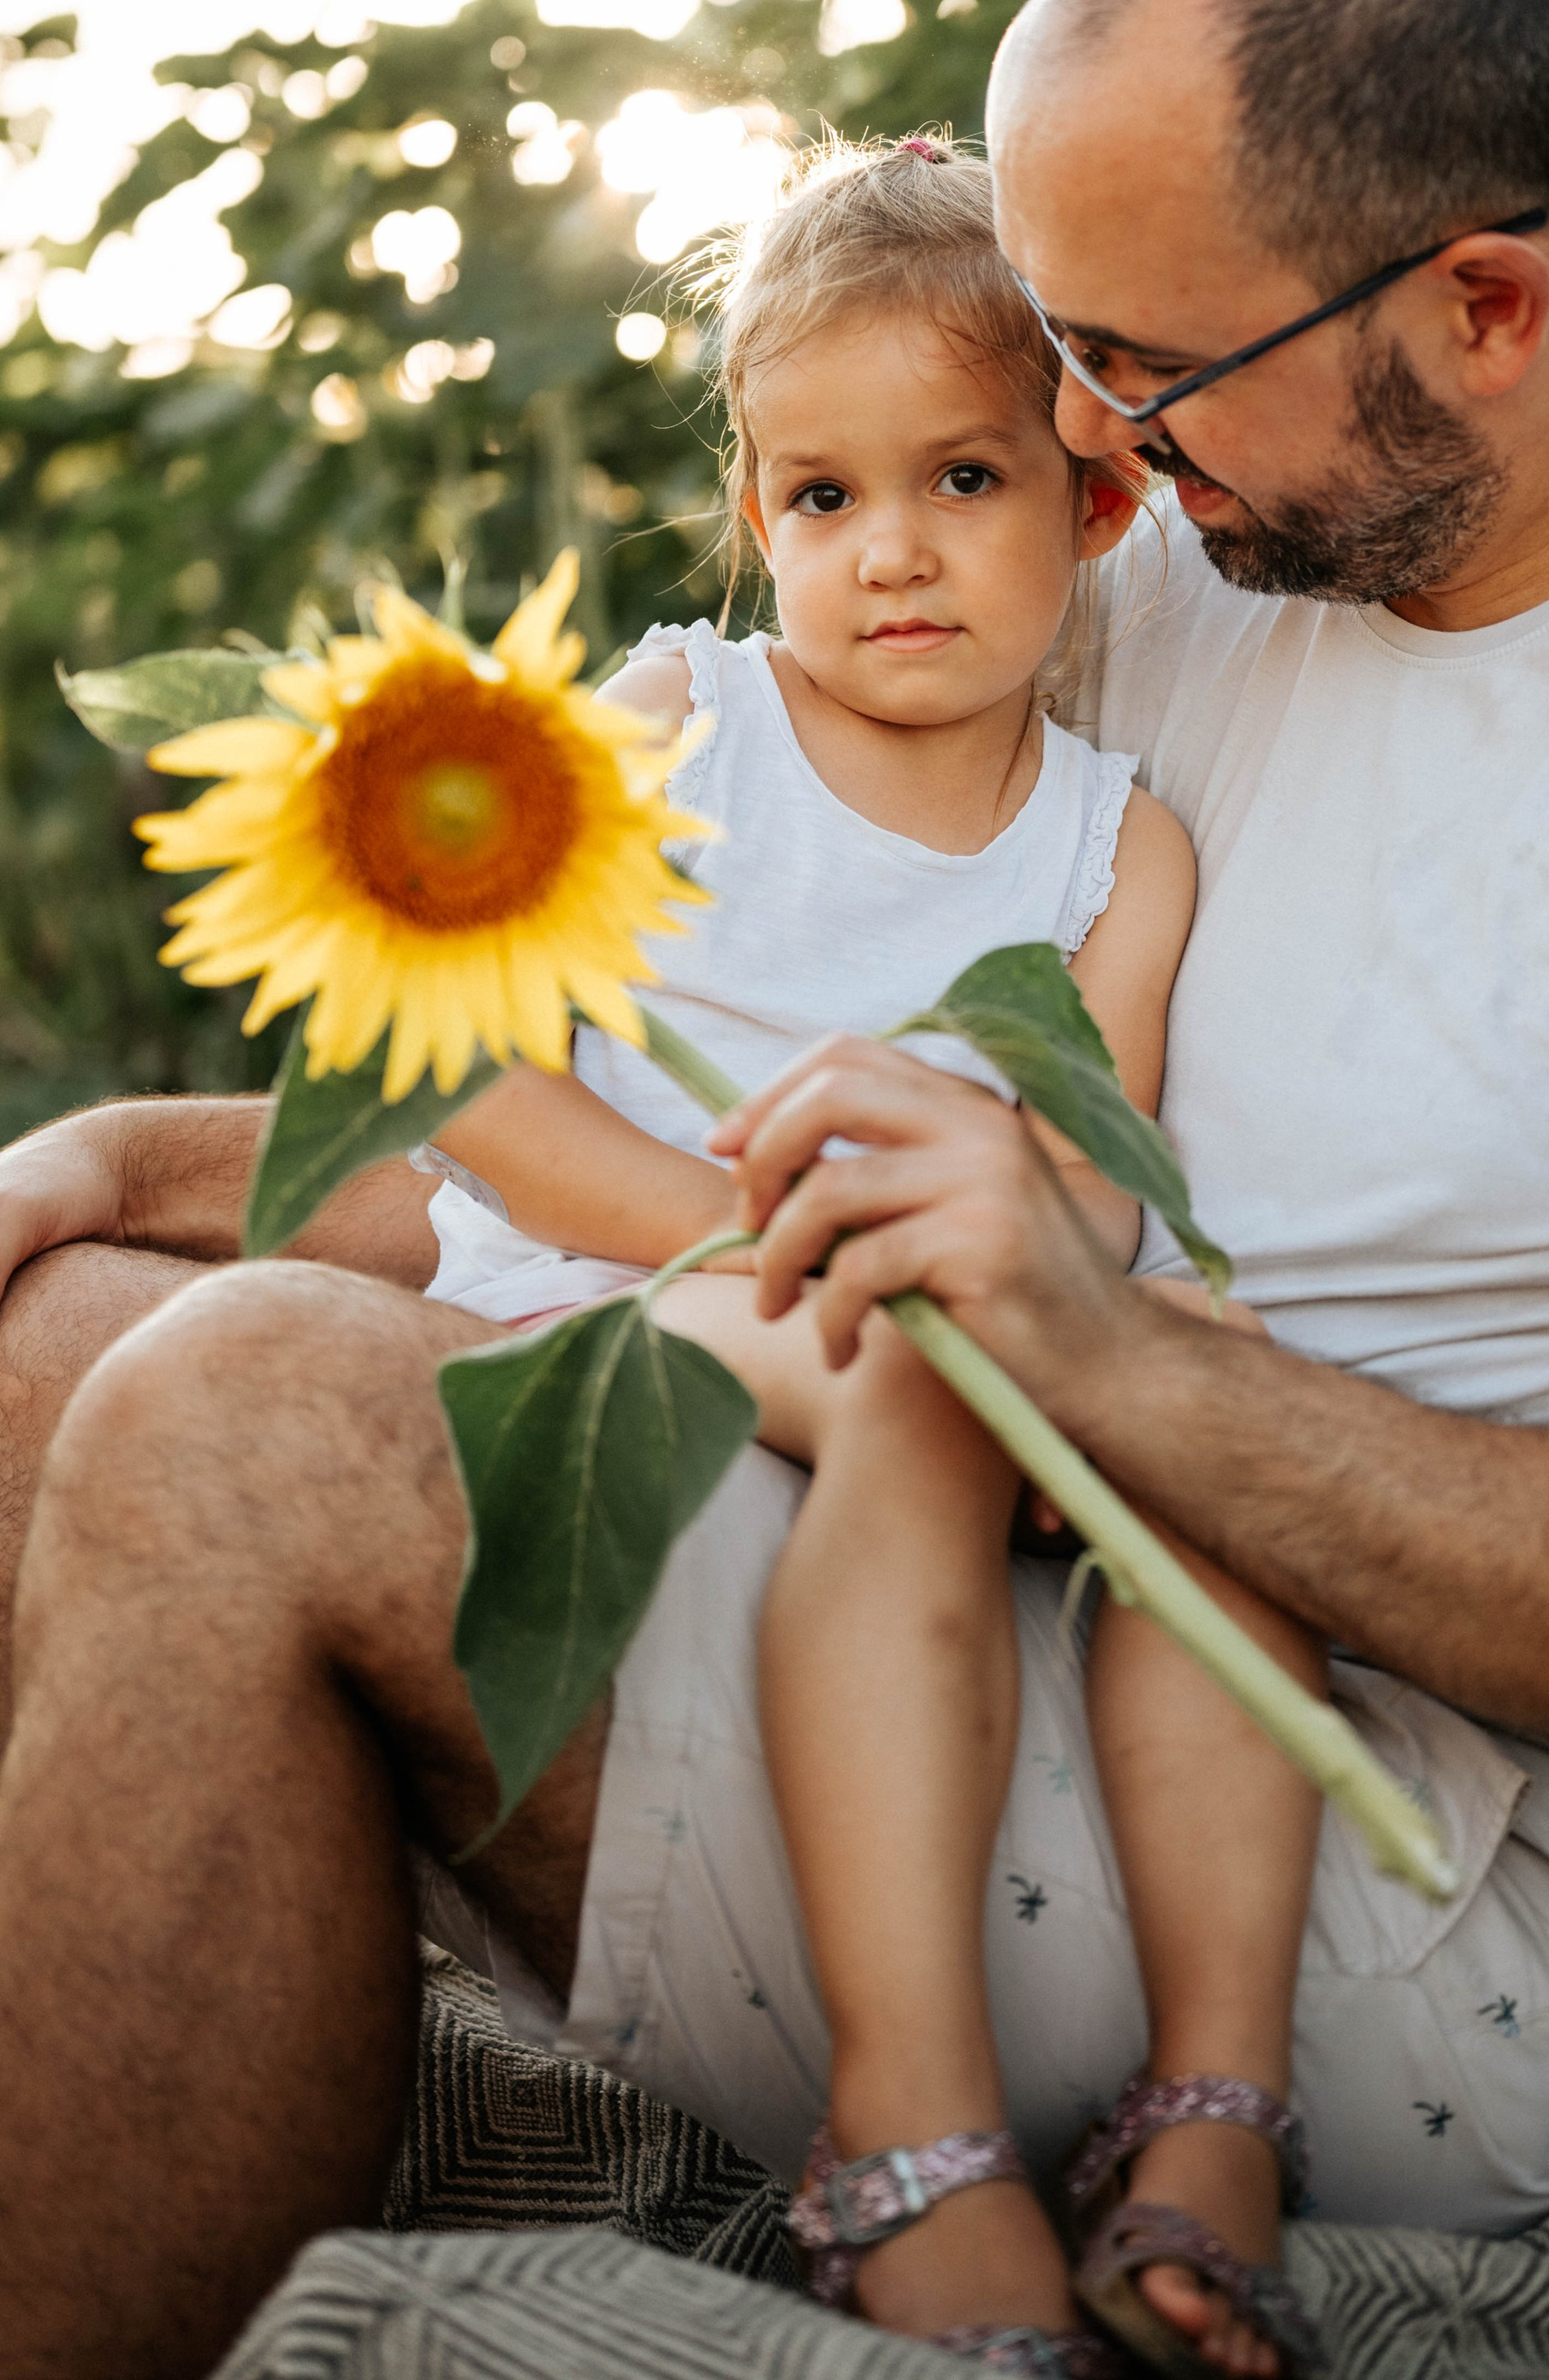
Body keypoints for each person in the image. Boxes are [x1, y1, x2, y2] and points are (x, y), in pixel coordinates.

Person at [0, 0, 1549, 2380]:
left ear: (1485, 303)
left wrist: (1118, 1355)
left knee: (249, 1416)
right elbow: (735, 1111)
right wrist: (125, 1167)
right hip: (962, 1539)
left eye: (1139, 369)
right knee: (5, 1369)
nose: (1087, 448)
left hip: (1416, 1872)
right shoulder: (1212, 547)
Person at [422, 136, 1319, 2378]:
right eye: (819, 499)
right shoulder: (679, 730)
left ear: (1094, 504)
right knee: (917, 1369)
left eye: (959, 478)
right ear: (753, 515)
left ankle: (1218, 2101)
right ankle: (902, 2119)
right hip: (629, 1280)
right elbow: (468, 1076)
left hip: (901, 1303)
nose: (887, 550)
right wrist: (769, 1232)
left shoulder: (1122, 856)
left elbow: (1081, 1187)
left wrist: (1101, 1333)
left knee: (1230, 1415)